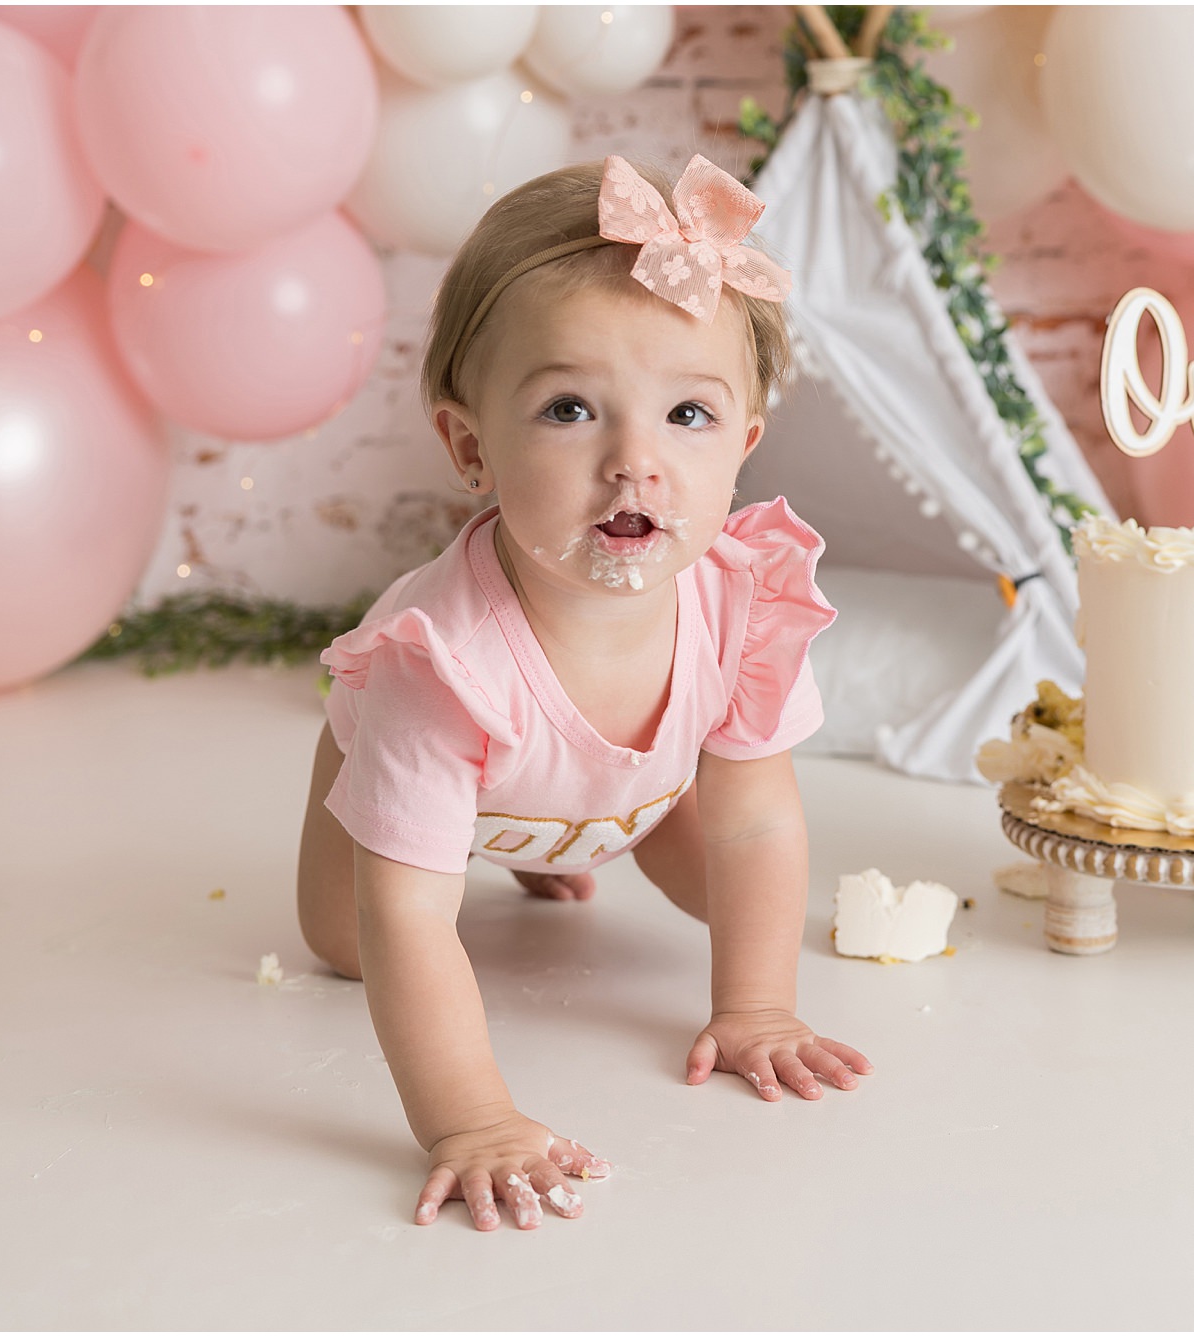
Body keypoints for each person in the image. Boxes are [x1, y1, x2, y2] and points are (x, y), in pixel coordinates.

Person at [294, 154, 872, 1233]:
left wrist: (754, 1006)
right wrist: (468, 1116)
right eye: (569, 408)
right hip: (431, 772)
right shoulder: (444, 665)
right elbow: (410, 913)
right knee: (352, 937)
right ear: (472, 445)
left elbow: (753, 819)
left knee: (729, 889)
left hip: (627, 788)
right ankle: (519, 830)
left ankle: (561, 836)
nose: (633, 463)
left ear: (744, 444)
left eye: (686, 417)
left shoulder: (739, 602)